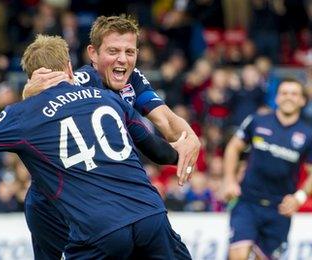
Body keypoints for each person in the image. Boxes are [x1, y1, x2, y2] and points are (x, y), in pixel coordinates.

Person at [0, 34, 191, 259]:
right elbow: (157, 151)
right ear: (69, 68)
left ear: (30, 78)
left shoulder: (21, 115)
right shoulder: (109, 97)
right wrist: (186, 152)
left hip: (100, 230)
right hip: (150, 216)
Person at [20, 14, 201, 259]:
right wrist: (27, 96)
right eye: (114, 51)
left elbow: (166, 120)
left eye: (130, 52)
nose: (123, 59)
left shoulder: (132, 81)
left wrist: (190, 139)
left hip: (107, 210)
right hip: (54, 205)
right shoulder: (79, 82)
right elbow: (33, 110)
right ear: (93, 54)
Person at [222, 79, 312, 260]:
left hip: (279, 209)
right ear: (277, 98)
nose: (289, 98)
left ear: (303, 101)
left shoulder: (308, 133)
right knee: (237, 256)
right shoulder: (257, 120)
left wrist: (299, 197)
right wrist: (229, 180)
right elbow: (233, 148)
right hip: (247, 202)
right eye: (284, 93)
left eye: (294, 94)